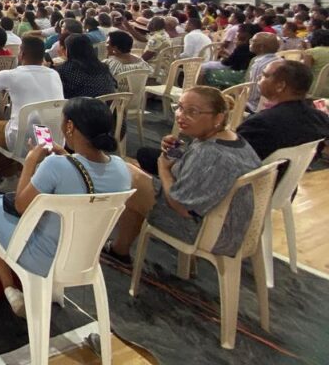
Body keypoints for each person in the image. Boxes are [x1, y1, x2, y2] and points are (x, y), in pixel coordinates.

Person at [0, 97, 130, 317]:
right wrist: (65, 155)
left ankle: (10, 289)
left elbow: (21, 205)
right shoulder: (121, 169)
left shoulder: (54, 166)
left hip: (42, 256)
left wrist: (30, 161)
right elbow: (85, 179)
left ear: (69, 126)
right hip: (86, 258)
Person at [107, 86, 261, 264]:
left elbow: (182, 207)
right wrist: (178, 154)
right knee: (136, 179)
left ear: (218, 118)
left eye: (192, 112)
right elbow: (202, 176)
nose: (181, 115)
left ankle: (118, 248)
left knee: (128, 174)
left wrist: (164, 169)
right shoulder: (232, 139)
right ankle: (120, 248)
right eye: (179, 107)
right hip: (230, 225)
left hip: (210, 233)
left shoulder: (211, 154)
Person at [0, 36, 64, 189]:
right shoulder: (54, 74)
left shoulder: (12, 75)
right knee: (16, 124)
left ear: (22, 54)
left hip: (24, 142)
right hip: (52, 139)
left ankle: (2, 176)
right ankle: (20, 170)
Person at [236, 60, 329, 162]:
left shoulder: (259, 124)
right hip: (298, 174)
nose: (259, 79)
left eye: (265, 76)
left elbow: (234, 161)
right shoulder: (321, 118)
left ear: (280, 86)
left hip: (265, 176)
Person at [55, 33, 117, 98]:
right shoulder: (102, 67)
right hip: (110, 106)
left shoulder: (66, 70)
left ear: (69, 50)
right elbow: (115, 84)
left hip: (83, 107)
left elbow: (61, 94)